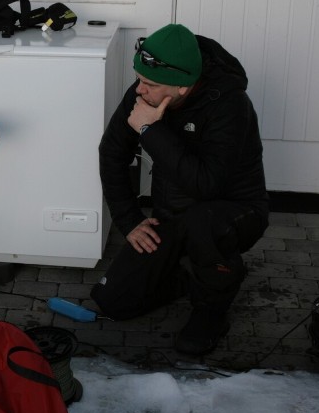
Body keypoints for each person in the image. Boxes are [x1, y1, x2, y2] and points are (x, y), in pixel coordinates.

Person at [92, 23, 268, 356]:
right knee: (113, 302)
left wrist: (148, 129)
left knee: (203, 223)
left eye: (150, 84)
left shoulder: (230, 106)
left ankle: (212, 311)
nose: (139, 90)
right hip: (172, 217)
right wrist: (129, 221)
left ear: (183, 87)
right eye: (139, 79)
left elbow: (205, 184)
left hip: (232, 213)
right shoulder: (145, 92)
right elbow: (112, 152)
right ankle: (190, 278)